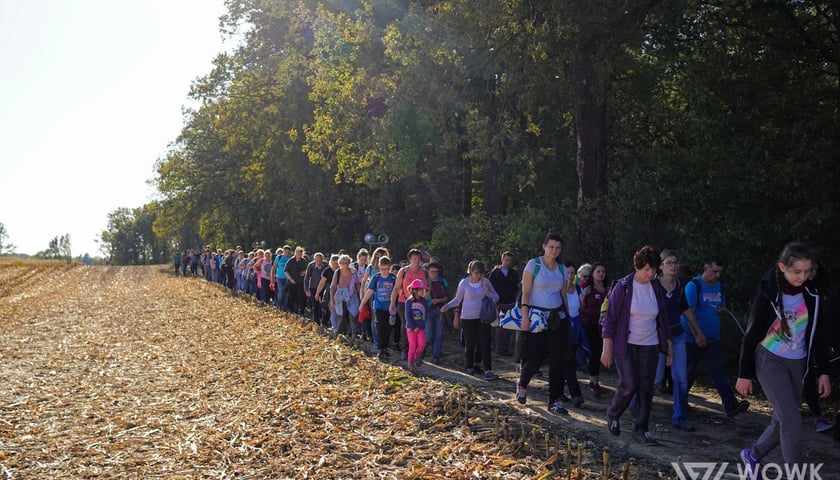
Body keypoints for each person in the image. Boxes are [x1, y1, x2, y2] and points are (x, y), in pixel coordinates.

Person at [736, 242, 831, 474]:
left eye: (807, 271)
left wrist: (824, 372)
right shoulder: (768, 293)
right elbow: (751, 334)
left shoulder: (812, 294)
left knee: (782, 419)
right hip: (769, 359)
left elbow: (817, 335)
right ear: (782, 267)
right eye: (797, 271)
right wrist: (743, 374)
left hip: (798, 362)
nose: (803, 276)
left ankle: (753, 455)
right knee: (792, 420)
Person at [601, 245, 672, 445]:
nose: (650, 274)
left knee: (646, 387)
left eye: (653, 270)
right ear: (638, 267)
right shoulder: (623, 287)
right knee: (630, 383)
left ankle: (641, 428)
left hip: (650, 344)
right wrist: (606, 348)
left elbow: (663, 319)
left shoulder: (656, 287)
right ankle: (613, 414)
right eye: (646, 269)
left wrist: (668, 346)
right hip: (626, 344)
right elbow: (610, 320)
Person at [682, 257, 750, 417]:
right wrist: (698, 333)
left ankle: (730, 405)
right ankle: (680, 403)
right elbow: (687, 313)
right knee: (688, 373)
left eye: (719, 272)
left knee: (718, 371)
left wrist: (722, 310)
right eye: (714, 272)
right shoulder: (694, 286)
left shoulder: (718, 286)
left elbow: (721, 305)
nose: (717, 275)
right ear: (705, 269)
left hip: (713, 339)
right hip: (692, 340)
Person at [513, 233, 572, 414]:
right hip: (536, 317)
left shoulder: (562, 269)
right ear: (544, 246)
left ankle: (554, 399)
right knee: (535, 357)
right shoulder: (534, 265)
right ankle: (522, 384)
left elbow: (563, 295)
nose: (554, 250)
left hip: (556, 318)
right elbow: (526, 293)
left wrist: (568, 317)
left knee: (557, 359)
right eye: (551, 246)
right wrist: (524, 317)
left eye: (558, 247)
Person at [441, 260, 500, 379]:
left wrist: (487, 291)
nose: (477, 275)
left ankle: (488, 370)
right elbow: (458, 299)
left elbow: (496, 297)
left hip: (482, 317)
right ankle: (469, 366)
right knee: (470, 343)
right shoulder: (464, 283)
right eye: (475, 272)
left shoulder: (485, 282)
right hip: (467, 317)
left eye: (480, 273)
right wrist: (447, 306)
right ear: (470, 271)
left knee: (484, 343)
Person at [657, 249, 694, 431]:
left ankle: (679, 417)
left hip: (678, 335)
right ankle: (635, 406)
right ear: (661, 266)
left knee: (680, 377)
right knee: (654, 378)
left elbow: (685, 308)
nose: (673, 266)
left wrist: (697, 331)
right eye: (669, 262)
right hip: (657, 337)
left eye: (675, 262)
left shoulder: (679, 284)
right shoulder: (654, 285)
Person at [390, 249, 428, 360]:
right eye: (414, 258)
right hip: (405, 301)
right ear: (410, 259)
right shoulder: (403, 271)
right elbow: (396, 288)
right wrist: (392, 303)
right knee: (406, 324)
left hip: (420, 303)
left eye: (418, 258)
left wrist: (424, 301)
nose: (416, 261)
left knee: (420, 325)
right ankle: (405, 350)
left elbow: (427, 288)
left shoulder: (423, 272)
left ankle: (419, 351)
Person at [579, 262, 608, 396]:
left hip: (602, 325)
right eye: (598, 271)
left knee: (599, 352)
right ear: (593, 274)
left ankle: (595, 380)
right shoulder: (586, 287)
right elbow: (580, 304)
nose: (601, 274)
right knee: (593, 352)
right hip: (588, 323)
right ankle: (593, 381)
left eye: (603, 271)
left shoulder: (608, 290)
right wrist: (584, 294)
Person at [361, 256, 397, 359]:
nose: (384, 272)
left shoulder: (393, 278)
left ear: (389, 268)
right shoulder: (376, 277)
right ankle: (381, 349)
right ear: (379, 267)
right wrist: (362, 303)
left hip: (390, 307)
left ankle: (385, 348)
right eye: (382, 269)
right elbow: (370, 291)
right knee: (380, 327)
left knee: (388, 328)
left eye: (386, 269)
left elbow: (397, 291)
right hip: (379, 307)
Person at [562, 261, 586, 408]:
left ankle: (559, 392)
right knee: (568, 361)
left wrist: (582, 303)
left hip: (576, 330)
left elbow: (579, 309)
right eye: (567, 273)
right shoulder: (559, 289)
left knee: (566, 362)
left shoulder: (578, 289)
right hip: (563, 329)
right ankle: (576, 394)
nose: (570, 276)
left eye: (572, 273)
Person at [488, 251, 520, 356]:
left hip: (510, 302)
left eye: (510, 261)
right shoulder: (495, 273)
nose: (508, 262)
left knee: (509, 327)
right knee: (499, 327)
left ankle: (505, 349)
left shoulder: (513, 273)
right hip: (498, 302)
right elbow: (489, 287)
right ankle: (498, 349)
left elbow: (516, 288)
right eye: (506, 260)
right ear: (502, 260)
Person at [330, 254, 361, 338]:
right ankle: (340, 334)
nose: (345, 264)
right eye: (343, 262)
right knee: (341, 315)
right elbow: (332, 287)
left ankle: (354, 334)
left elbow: (357, 285)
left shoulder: (353, 272)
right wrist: (332, 299)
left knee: (353, 315)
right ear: (340, 263)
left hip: (352, 295)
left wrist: (360, 296)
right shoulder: (338, 272)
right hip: (340, 296)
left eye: (346, 262)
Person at [425, 262, 450, 364]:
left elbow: (447, 296)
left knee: (439, 335)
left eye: (436, 272)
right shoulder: (425, 282)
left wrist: (438, 301)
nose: (434, 274)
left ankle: (436, 356)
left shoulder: (443, 282)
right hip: (428, 310)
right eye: (432, 272)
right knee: (429, 334)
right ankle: (422, 350)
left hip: (439, 310)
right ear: (428, 272)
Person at [405, 278, 429, 371]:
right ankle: (410, 362)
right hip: (411, 329)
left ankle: (417, 357)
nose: (423, 292)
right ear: (415, 290)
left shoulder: (424, 301)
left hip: (421, 327)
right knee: (412, 345)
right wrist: (413, 326)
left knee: (422, 343)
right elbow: (407, 316)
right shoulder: (409, 302)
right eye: (421, 290)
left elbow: (425, 313)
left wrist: (422, 324)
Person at [284, 246, 308, 316]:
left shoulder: (303, 261)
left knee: (300, 297)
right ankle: (291, 311)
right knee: (292, 297)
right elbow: (286, 271)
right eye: (298, 253)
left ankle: (301, 312)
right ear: (295, 253)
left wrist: (304, 272)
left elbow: (307, 270)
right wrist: (290, 279)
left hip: (300, 282)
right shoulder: (291, 261)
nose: (299, 255)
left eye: (300, 254)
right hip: (292, 282)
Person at [304, 253, 327, 324]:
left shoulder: (326, 266)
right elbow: (307, 277)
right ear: (314, 260)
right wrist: (306, 289)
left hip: (323, 288)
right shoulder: (311, 266)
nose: (319, 263)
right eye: (317, 261)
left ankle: (324, 321)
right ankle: (316, 321)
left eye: (320, 261)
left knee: (323, 305)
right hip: (313, 287)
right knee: (315, 305)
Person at [272, 246, 292, 310]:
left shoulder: (290, 258)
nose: (287, 253)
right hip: (280, 277)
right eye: (285, 251)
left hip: (288, 278)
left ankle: (284, 307)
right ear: (283, 251)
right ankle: (279, 305)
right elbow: (274, 267)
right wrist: (272, 277)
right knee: (280, 291)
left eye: (288, 252)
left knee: (286, 293)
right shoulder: (279, 257)